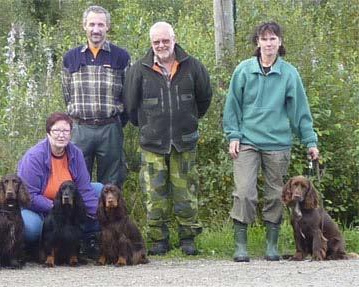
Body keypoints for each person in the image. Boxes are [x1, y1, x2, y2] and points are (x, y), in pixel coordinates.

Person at [223, 21, 319, 262]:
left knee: (276, 193)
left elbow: (300, 112)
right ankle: (241, 246)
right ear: (257, 42)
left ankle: (271, 245)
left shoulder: (289, 74)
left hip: (278, 143)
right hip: (247, 141)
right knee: (244, 191)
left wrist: (310, 141)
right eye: (264, 39)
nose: (268, 43)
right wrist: (233, 135)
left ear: (280, 42)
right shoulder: (244, 70)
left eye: (273, 38)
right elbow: (232, 106)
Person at [125, 22, 212, 256]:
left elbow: (204, 100)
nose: (161, 45)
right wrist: (149, 127)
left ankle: (188, 239)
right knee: (154, 194)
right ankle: (158, 240)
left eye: (165, 40)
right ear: (151, 43)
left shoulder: (193, 66)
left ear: (174, 39)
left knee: (186, 193)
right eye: (156, 42)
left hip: (184, 142)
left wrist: (188, 120)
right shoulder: (138, 70)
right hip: (152, 144)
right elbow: (131, 107)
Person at [17, 112, 103, 259]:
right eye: (56, 131)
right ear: (48, 133)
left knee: (99, 189)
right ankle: (33, 248)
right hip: (38, 208)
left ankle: (88, 241)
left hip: (67, 204)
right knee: (32, 229)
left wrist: (100, 214)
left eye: (66, 131)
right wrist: (55, 206)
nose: (61, 135)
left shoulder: (76, 153)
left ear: (70, 133)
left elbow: (84, 189)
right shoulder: (34, 157)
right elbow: (28, 195)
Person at [61, 5, 130, 187]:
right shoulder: (71, 57)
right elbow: (66, 93)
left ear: (108, 26)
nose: (96, 29)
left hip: (110, 129)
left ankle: (109, 216)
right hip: (80, 129)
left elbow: (128, 95)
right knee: (76, 181)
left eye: (100, 24)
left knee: (111, 185)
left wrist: (118, 121)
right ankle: (82, 216)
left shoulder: (121, 57)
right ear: (84, 26)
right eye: (91, 24)